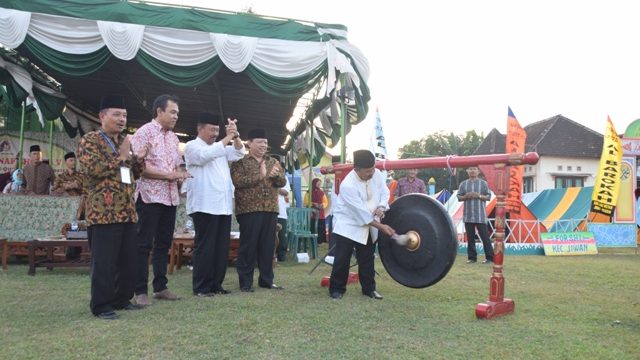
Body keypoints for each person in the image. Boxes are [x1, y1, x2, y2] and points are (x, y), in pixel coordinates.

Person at [78, 95, 145, 320]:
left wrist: (138, 159)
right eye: (116, 114)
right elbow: (92, 170)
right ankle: (101, 305)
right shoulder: (91, 140)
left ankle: (122, 299)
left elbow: (135, 174)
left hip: (127, 210)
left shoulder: (123, 141)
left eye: (124, 115)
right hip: (103, 212)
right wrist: (122, 156)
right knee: (104, 262)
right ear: (102, 116)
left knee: (127, 260)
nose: (122, 119)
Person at [131, 94, 189, 305]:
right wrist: (168, 176)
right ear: (159, 111)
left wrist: (180, 175)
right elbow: (138, 168)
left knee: (164, 244)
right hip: (149, 196)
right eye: (172, 112)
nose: (176, 117)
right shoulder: (143, 133)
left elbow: (175, 166)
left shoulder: (174, 138)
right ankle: (139, 291)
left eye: (177, 113)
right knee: (143, 244)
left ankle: (160, 287)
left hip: (171, 197)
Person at [184, 113, 244, 297]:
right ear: (199, 129)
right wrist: (227, 138)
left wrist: (236, 135)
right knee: (206, 247)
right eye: (212, 130)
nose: (215, 134)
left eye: (218, 131)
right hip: (204, 205)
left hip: (222, 206)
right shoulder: (192, 147)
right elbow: (204, 157)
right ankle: (201, 287)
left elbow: (239, 152)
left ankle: (216, 284)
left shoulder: (221, 147)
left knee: (220, 247)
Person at [328, 150, 396, 300]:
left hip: (370, 222)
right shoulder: (348, 185)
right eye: (367, 171)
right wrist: (382, 227)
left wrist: (381, 206)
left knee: (367, 257)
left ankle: (369, 289)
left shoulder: (376, 174)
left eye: (372, 169)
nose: (371, 173)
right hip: (348, 224)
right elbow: (361, 214)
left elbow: (385, 192)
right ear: (356, 169)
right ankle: (336, 289)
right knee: (342, 258)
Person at [230, 128, 286, 292]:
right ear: (249, 143)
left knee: (268, 247)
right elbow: (238, 182)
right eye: (260, 142)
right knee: (248, 246)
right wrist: (260, 176)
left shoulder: (273, 161)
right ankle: (245, 283)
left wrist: (276, 176)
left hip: (270, 209)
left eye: (266, 142)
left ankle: (266, 280)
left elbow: (282, 182)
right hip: (249, 210)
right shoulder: (240, 162)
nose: (264, 145)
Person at [457, 165, 494, 264]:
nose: (472, 171)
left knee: (485, 237)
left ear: (478, 171)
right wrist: (466, 196)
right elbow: (459, 197)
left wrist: (479, 196)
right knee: (470, 238)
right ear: (467, 171)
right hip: (468, 215)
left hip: (480, 216)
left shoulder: (483, 184)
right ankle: (472, 258)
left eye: (474, 169)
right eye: (470, 169)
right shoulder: (463, 184)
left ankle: (490, 258)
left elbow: (489, 196)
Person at [304, 178, 329, 244]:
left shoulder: (322, 193)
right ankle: (311, 240)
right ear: (314, 183)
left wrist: (322, 205)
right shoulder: (308, 192)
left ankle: (320, 241)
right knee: (312, 226)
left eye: (320, 184)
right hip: (311, 213)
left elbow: (325, 202)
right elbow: (306, 202)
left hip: (320, 212)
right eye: (318, 183)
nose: (319, 185)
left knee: (320, 227)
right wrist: (313, 204)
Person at [275, 171, 291, 262]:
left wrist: (275, 189)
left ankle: (281, 255)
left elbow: (286, 192)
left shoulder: (283, 177)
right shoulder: (263, 173)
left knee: (282, 235)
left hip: (281, 211)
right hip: (268, 210)